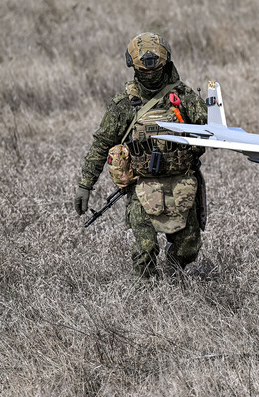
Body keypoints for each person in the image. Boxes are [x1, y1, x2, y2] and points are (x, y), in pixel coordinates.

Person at [74, 32, 208, 279]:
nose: (150, 74)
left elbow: (211, 132)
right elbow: (101, 144)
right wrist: (85, 185)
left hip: (182, 184)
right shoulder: (123, 105)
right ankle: (144, 291)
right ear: (133, 67)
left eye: (155, 68)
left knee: (188, 248)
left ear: (165, 63)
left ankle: (175, 274)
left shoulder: (184, 97)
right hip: (141, 186)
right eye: (144, 70)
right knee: (145, 249)